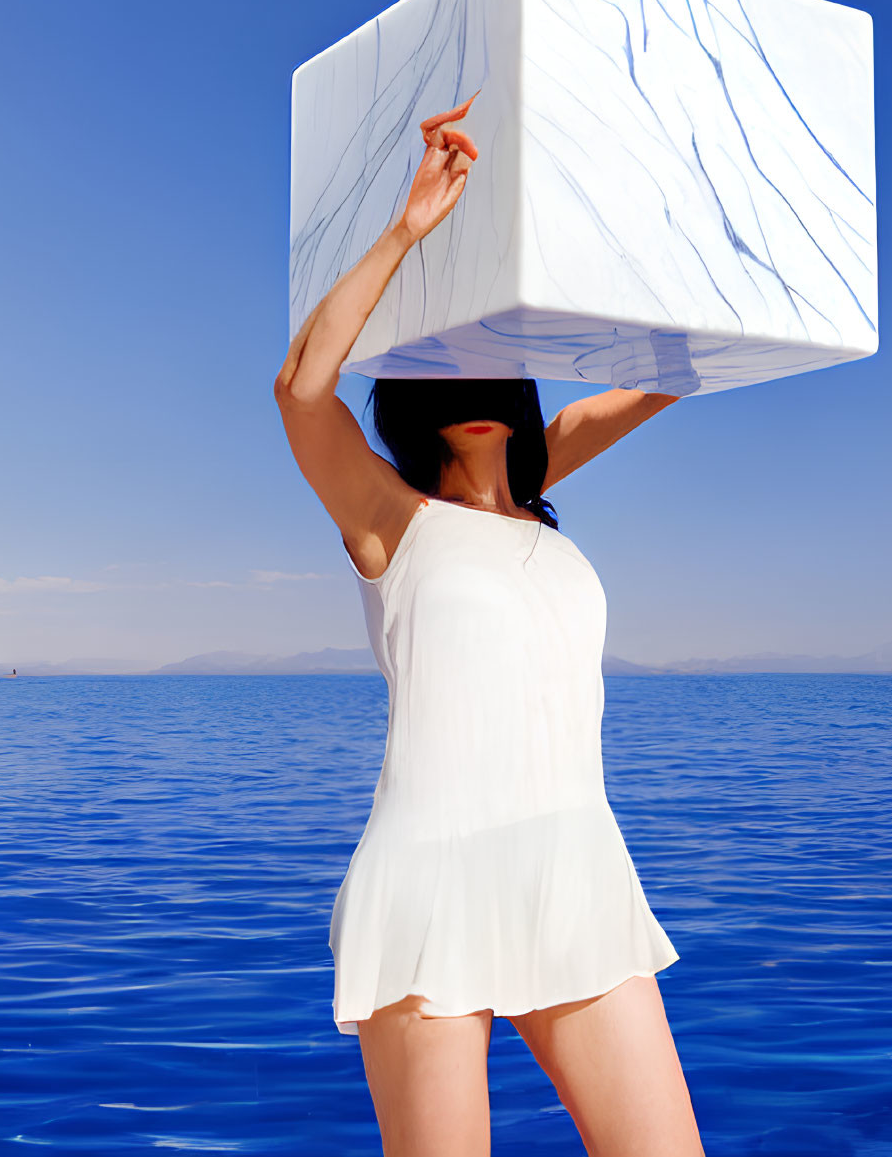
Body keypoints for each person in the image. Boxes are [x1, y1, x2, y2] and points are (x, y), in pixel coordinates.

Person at [273, 94, 705, 1156]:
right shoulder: (389, 520)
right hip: (430, 882)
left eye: (486, 370)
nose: (469, 392)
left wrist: (646, 197)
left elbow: (669, 371)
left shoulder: (544, 481)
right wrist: (412, 226)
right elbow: (300, 387)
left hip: (578, 869)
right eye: (440, 374)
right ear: (411, 402)